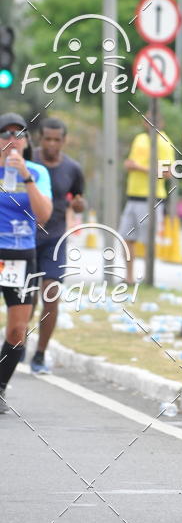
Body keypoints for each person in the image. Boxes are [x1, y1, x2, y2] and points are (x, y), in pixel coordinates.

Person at [0, 113, 52, 414]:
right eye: (5, 135)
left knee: (17, 331)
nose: (11, 141)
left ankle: (1, 386)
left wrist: (26, 177)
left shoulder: (37, 172)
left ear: (27, 141)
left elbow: (43, 216)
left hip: (21, 257)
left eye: (18, 134)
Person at [30, 117, 86, 374]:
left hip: (55, 239)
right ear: (40, 139)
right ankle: (16, 344)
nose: (52, 144)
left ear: (64, 141)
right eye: (47, 139)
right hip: (27, 239)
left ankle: (40, 354)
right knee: (26, 299)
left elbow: (78, 198)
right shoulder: (29, 164)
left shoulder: (72, 169)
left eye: (57, 139)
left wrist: (78, 206)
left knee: (51, 296)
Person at [118, 111, 175, 285]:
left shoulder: (164, 143)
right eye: (147, 121)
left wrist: (139, 168)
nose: (149, 124)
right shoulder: (140, 139)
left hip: (151, 198)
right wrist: (130, 165)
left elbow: (168, 172)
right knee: (126, 237)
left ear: (161, 123)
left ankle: (149, 278)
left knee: (149, 241)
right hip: (132, 196)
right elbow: (131, 162)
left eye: (154, 121)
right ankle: (129, 277)